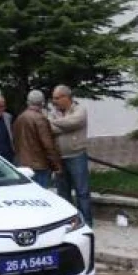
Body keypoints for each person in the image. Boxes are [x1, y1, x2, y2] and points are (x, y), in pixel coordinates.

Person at [48, 85, 92, 225]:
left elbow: (75, 122)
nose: (54, 101)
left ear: (66, 97)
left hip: (77, 155)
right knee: (63, 192)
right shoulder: (53, 112)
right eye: (53, 98)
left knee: (82, 192)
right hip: (60, 157)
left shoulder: (79, 110)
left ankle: (86, 222)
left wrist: (56, 123)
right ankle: (68, 222)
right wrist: (65, 126)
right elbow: (50, 129)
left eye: (56, 98)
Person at [12, 90, 62, 189]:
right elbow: (48, 145)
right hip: (39, 165)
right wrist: (56, 165)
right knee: (40, 194)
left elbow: (15, 140)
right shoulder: (40, 119)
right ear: (42, 103)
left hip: (22, 163)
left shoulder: (19, 118)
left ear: (28, 102)